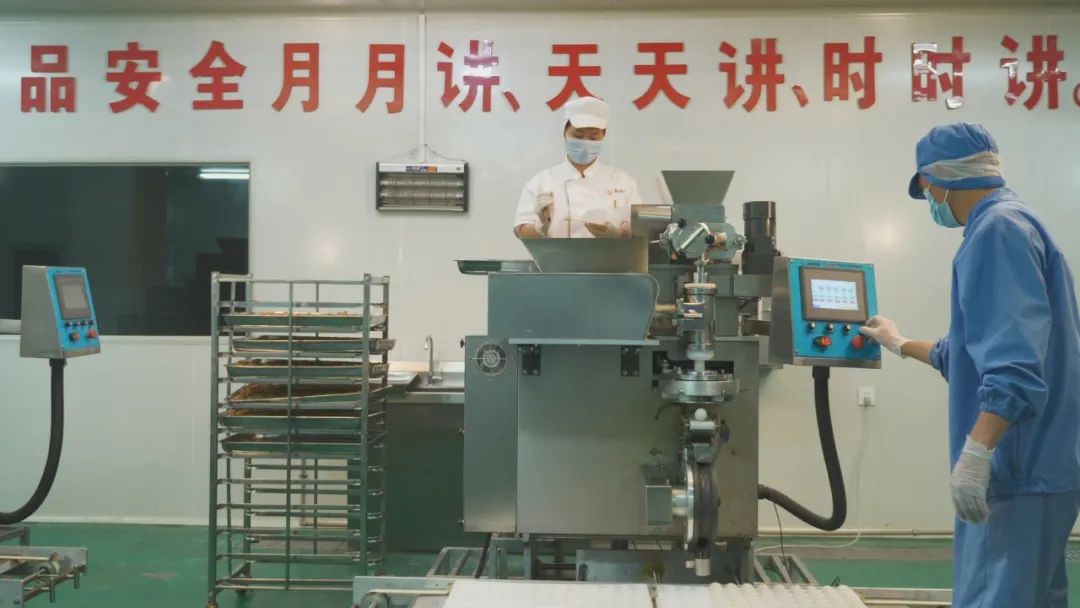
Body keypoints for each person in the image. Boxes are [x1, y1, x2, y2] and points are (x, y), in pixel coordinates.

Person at [860, 123, 1080, 608]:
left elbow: (1014, 369)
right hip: (1046, 470)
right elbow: (965, 355)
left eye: (925, 189)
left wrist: (978, 453)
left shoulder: (996, 232)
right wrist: (898, 342)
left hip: (1016, 470)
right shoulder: (1020, 222)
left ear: (936, 180)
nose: (929, 200)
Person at [513, 96, 641, 239]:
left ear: (603, 136)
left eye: (593, 138)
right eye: (578, 136)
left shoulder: (623, 181)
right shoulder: (542, 180)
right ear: (565, 133)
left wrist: (618, 234)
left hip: (610, 254)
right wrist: (541, 227)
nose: (585, 143)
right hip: (556, 253)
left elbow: (640, 230)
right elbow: (521, 229)